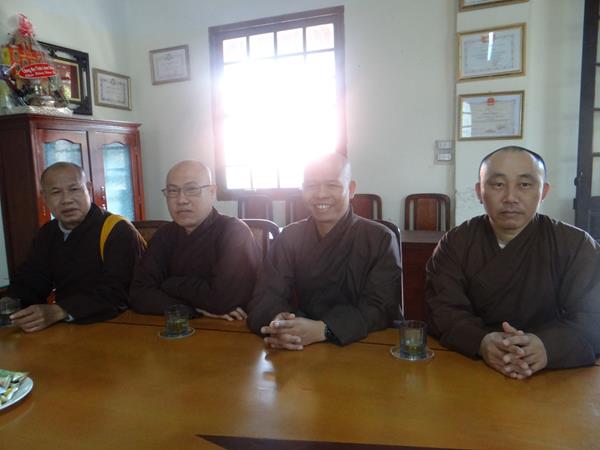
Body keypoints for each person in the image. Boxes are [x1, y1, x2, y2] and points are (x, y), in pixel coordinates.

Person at [426, 146, 600, 379]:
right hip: (471, 367)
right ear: (479, 191)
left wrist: (547, 347)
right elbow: (442, 309)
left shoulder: (575, 244)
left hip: (555, 374)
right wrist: (482, 341)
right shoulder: (455, 243)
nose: (510, 197)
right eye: (498, 185)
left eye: (524, 185)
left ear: (543, 191)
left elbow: (593, 317)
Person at [247, 153, 402, 349]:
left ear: (351, 189)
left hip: (363, 343)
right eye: (311, 185)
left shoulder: (380, 238)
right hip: (301, 344)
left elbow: (381, 307)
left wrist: (325, 329)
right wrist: (280, 322)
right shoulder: (290, 237)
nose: (320, 194)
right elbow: (266, 295)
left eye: (332, 185)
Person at [4, 162, 145, 332]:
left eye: (74, 189)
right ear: (44, 197)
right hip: (69, 326)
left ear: (89, 189)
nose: (66, 200)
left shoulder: (117, 230)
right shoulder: (48, 233)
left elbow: (118, 292)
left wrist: (60, 311)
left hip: (119, 325)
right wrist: (11, 301)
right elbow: (33, 278)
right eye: (56, 192)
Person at [129, 160, 260, 320]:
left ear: (212, 192)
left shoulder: (234, 232)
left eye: (191, 189)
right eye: (172, 191)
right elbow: (138, 294)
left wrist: (168, 283)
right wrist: (192, 309)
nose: (181, 200)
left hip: (228, 329)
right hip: (180, 323)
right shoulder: (164, 235)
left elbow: (223, 300)